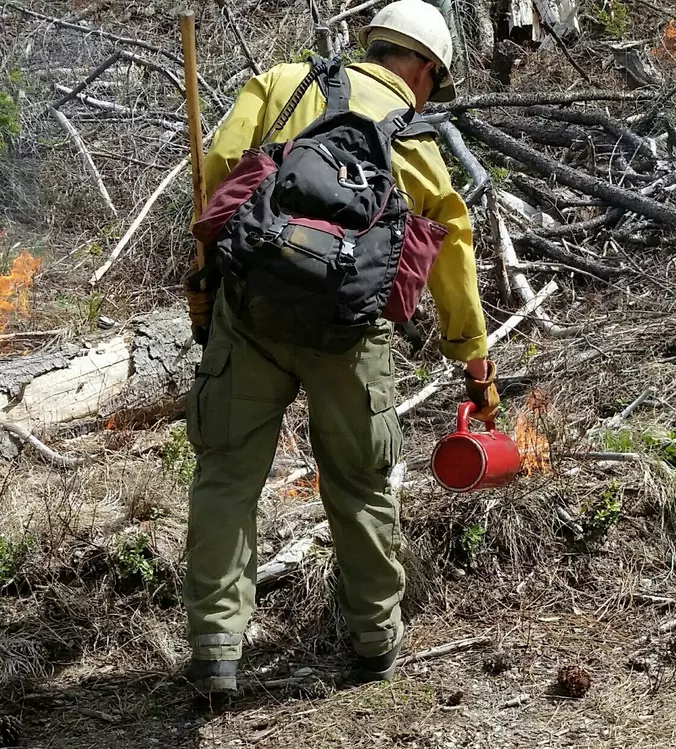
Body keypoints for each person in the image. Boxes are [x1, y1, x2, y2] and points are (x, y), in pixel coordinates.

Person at [181, 0, 499, 698]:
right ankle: (374, 642)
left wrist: (205, 283)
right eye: (431, 83)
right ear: (421, 67)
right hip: (350, 338)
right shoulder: (415, 149)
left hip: (250, 317)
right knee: (358, 485)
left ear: (373, 44)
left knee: (228, 476)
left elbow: (218, 177)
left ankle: (214, 649)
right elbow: (453, 256)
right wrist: (472, 358)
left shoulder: (282, 84)